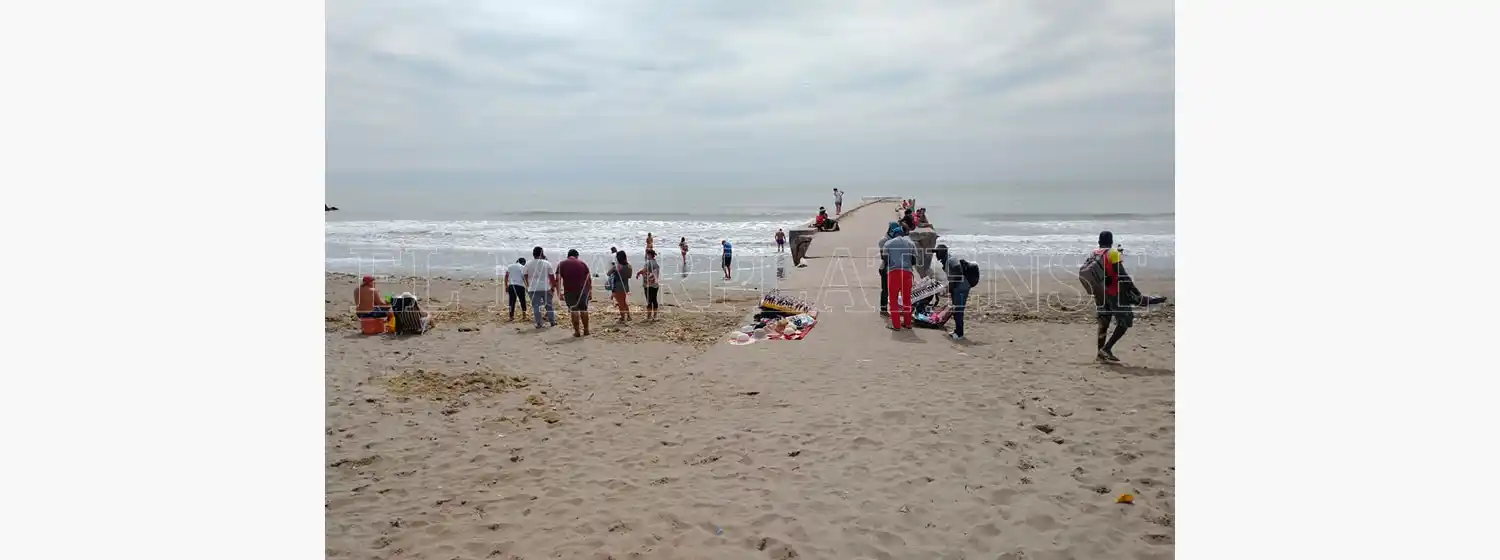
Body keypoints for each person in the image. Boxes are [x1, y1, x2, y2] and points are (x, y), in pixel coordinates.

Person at [1092, 231, 1139, 362]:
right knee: (1125, 320)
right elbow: (1122, 274)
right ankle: (1106, 349)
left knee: (1103, 322)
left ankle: (1099, 354)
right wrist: (1135, 291)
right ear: (1111, 241)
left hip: (1100, 293)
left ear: (1099, 241)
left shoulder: (1094, 253)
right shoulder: (1113, 253)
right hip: (1113, 293)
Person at [882, 222, 918, 330]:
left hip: (894, 272)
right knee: (907, 299)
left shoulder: (888, 244)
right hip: (907, 273)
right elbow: (914, 261)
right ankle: (907, 323)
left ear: (894, 234)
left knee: (893, 300)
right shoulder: (911, 243)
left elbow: (885, 259)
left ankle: (896, 325)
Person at [934, 244, 968, 340]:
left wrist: (951, 286)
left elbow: (957, 270)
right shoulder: (946, 260)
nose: (936, 255)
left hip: (962, 288)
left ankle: (960, 334)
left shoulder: (951, 260)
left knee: (958, 310)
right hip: (957, 287)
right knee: (955, 309)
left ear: (943, 252)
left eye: (937, 252)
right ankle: (957, 331)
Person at [556, 249, 593, 337]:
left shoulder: (562, 264)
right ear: (577, 256)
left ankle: (577, 332)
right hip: (583, 291)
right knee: (584, 309)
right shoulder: (582, 264)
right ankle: (586, 330)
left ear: (568, 256)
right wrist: (590, 292)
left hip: (569, 291)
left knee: (574, 310)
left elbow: (557, 279)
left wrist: (559, 293)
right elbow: (588, 279)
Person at [522, 246, 557, 329]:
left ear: (533, 254)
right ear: (542, 253)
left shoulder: (528, 264)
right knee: (549, 305)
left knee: (536, 306)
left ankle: (539, 324)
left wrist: (527, 285)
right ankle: (552, 322)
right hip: (545, 287)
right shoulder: (547, 263)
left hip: (533, 288)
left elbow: (525, 275)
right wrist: (553, 287)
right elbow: (552, 276)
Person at [877, 225, 900, 317]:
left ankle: (895, 308)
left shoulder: (894, 241)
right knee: (885, 289)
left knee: (894, 290)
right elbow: (884, 256)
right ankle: (883, 308)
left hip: (894, 268)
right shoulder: (884, 241)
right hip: (886, 268)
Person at [608, 249, 634, 322]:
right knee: (623, 301)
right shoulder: (629, 266)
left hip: (618, 286)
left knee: (620, 303)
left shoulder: (617, 267)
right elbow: (629, 276)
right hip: (625, 285)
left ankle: (623, 317)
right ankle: (628, 316)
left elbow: (608, 273)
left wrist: (613, 268)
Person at [636, 249, 661, 321]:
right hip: (655, 284)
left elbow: (644, 270)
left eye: (647, 254)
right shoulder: (656, 263)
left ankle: (649, 316)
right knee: (654, 300)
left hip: (648, 284)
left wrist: (638, 273)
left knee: (649, 301)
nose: (646, 256)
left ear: (649, 255)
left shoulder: (648, 263)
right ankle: (655, 315)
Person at [503, 257, 528, 322]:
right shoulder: (523, 267)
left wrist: (506, 286)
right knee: (522, 301)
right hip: (520, 286)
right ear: (523, 263)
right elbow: (524, 278)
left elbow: (506, 276)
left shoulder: (510, 266)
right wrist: (527, 286)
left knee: (511, 302)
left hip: (511, 286)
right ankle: (524, 315)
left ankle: (511, 316)